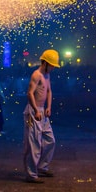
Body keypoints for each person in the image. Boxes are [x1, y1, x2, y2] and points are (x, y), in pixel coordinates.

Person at [23, 49, 60, 183]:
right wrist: (36, 110)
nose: (53, 68)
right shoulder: (36, 75)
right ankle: (31, 175)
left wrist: (48, 107)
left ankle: (42, 167)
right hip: (33, 112)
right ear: (44, 63)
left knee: (50, 140)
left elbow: (49, 91)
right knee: (34, 144)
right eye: (52, 65)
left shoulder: (47, 75)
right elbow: (30, 93)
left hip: (42, 111)